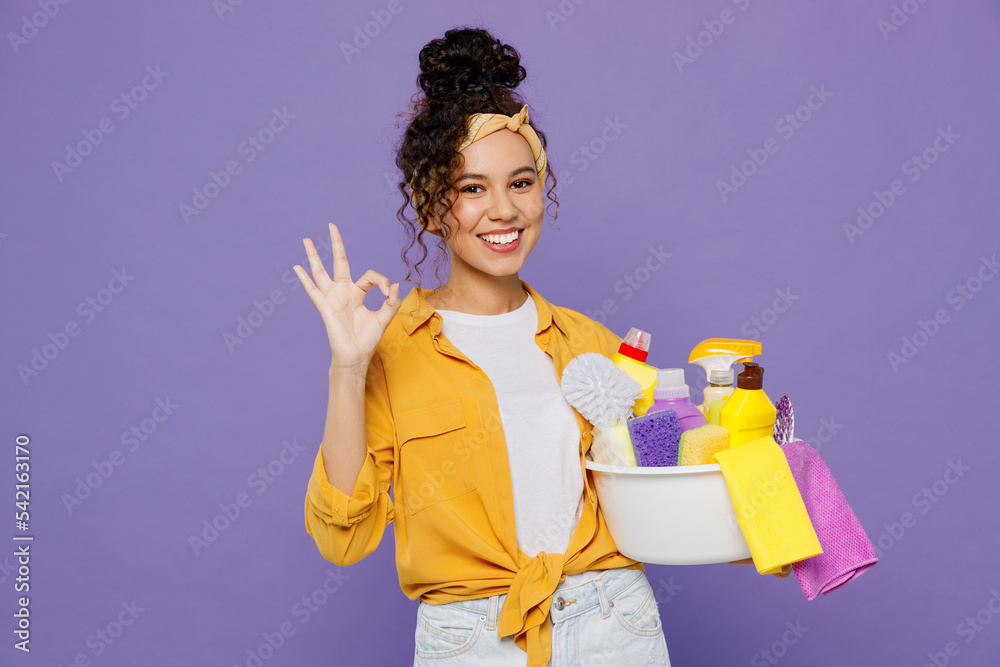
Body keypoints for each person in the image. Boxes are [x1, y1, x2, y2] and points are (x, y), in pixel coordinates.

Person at [296, 26, 784, 667]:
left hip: (613, 621)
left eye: (521, 183)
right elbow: (343, 540)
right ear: (430, 207)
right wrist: (348, 369)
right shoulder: (393, 351)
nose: (503, 209)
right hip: (472, 639)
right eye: (472, 188)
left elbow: (663, 475)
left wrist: (773, 503)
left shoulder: (592, 345)